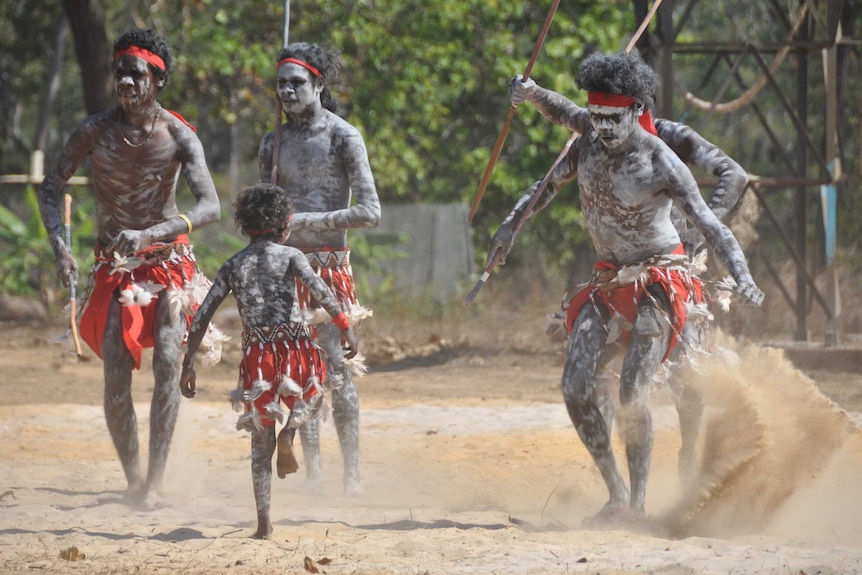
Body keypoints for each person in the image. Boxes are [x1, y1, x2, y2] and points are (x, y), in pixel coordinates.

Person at [485, 52, 764, 526]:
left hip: (660, 279)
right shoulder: (588, 137)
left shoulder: (663, 156)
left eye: (613, 119)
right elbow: (549, 167)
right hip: (607, 279)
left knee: (634, 392)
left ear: (637, 110)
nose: (604, 129)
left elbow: (714, 224)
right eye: (595, 119)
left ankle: (638, 503)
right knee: (575, 388)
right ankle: (616, 493)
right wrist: (510, 227)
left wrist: (742, 274)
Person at [37, 28, 221, 509]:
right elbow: (50, 187)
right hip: (116, 267)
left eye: (135, 74)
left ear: (156, 80)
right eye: (119, 72)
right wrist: (60, 244)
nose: (125, 81)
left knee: (166, 358)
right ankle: (134, 480)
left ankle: (157, 483)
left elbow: (210, 208)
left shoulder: (179, 133)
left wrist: (151, 234)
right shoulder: (94, 131)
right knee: (116, 371)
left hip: (166, 265)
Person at [179, 183, 359, 540]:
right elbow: (322, 292)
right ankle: (290, 432)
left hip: (257, 355)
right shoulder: (292, 256)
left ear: (244, 226)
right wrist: (345, 327)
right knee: (312, 398)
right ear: (284, 225)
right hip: (295, 346)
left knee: (260, 441)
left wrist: (189, 363)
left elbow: (202, 315)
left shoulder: (233, 265)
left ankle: (263, 522)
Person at [258, 42, 381, 496]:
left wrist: (305, 222)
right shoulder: (272, 142)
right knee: (295, 372)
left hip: (329, 266)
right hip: (283, 270)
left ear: (318, 85)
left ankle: (352, 475)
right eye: (280, 83)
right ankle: (313, 474)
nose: (286, 91)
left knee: (336, 370)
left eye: (296, 83)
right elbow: (262, 211)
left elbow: (370, 211)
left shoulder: (342, 136)